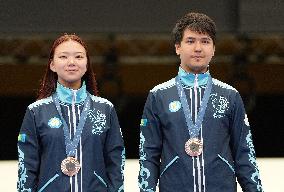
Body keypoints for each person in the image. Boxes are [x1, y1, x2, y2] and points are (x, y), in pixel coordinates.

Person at [138, 12, 263, 192]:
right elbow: (148, 154)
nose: (198, 48)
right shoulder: (158, 95)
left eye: (205, 41)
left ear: (213, 49)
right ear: (177, 47)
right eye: (190, 41)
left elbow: (245, 153)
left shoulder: (230, 95)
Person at [17, 34, 125, 192]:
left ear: (87, 64)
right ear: (52, 65)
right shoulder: (36, 111)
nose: (72, 62)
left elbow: (116, 164)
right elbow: (26, 167)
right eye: (63, 57)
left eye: (79, 56)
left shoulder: (105, 109)